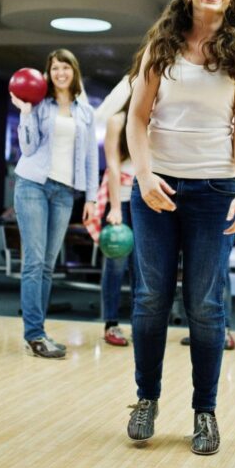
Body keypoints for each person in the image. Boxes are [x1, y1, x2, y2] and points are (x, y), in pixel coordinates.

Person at [124, 0, 235, 456]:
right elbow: (137, 120)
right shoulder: (161, 47)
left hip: (213, 192)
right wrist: (144, 176)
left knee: (206, 306)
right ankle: (146, 399)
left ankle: (205, 412)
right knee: (151, 300)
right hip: (156, 191)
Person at [10, 48, 98, 359]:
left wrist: (91, 198)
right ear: (48, 73)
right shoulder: (39, 106)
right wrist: (24, 113)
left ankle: (39, 331)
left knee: (47, 265)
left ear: (74, 72)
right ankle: (34, 334)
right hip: (32, 185)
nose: (60, 72)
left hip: (64, 193)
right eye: (54, 68)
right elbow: (28, 147)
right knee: (34, 263)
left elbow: (90, 158)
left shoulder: (85, 112)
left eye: (65, 67)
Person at [98, 99, 135, 347]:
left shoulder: (158, 118)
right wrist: (115, 207)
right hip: (120, 200)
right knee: (115, 266)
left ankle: (141, 324)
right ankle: (111, 323)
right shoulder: (118, 120)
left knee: (143, 269)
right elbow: (112, 165)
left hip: (148, 202)